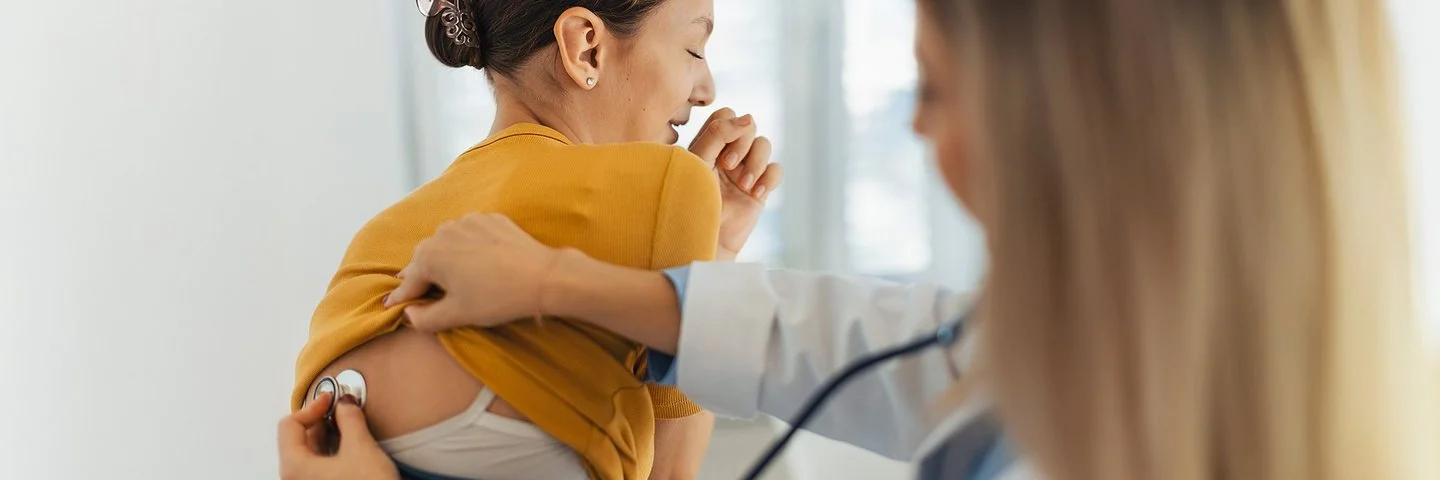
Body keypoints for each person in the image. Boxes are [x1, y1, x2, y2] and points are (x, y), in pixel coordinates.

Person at [281, 0, 1439, 478]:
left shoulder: (393, 240)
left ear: (1082, 126)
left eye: (931, 89)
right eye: (692, 42)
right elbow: (860, 345)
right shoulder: (1078, 370)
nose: (914, 128)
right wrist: (623, 272)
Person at [287, 0, 782, 479]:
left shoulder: (380, 232)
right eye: (693, 49)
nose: (707, 90)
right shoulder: (669, 184)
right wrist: (715, 249)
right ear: (585, 47)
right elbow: (670, 473)